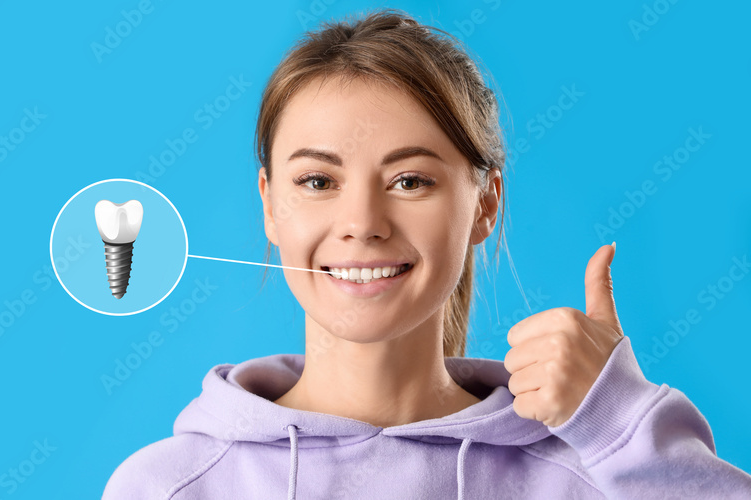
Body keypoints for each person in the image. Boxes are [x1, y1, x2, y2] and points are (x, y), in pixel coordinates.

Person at [103, 8, 751, 499]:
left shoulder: (596, 478)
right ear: (271, 204)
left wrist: (621, 425)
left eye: (410, 181)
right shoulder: (167, 487)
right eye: (319, 182)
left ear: (486, 204)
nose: (361, 224)